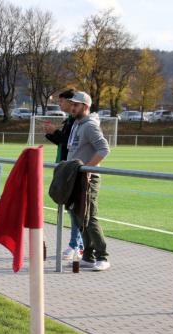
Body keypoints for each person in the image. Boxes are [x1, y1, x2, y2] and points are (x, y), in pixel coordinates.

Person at [66, 91, 111, 271]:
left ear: (85, 106)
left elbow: (104, 149)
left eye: (76, 105)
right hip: (77, 177)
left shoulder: (90, 125)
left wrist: (88, 170)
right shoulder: (78, 124)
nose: (72, 107)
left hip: (88, 179)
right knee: (79, 217)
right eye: (72, 104)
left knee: (89, 217)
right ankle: (88, 256)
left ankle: (103, 256)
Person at [44, 89, 84, 261]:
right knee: (70, 208)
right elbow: (63, 142)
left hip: (73, 167)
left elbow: (68, 142)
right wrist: (51, 133)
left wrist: (55, 132)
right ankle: (78, 245)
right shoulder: (69, 120)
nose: (60, 105)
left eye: (61, 102)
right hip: (64, 165)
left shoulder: (77, 121)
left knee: (74, 208)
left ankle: (76, 245)